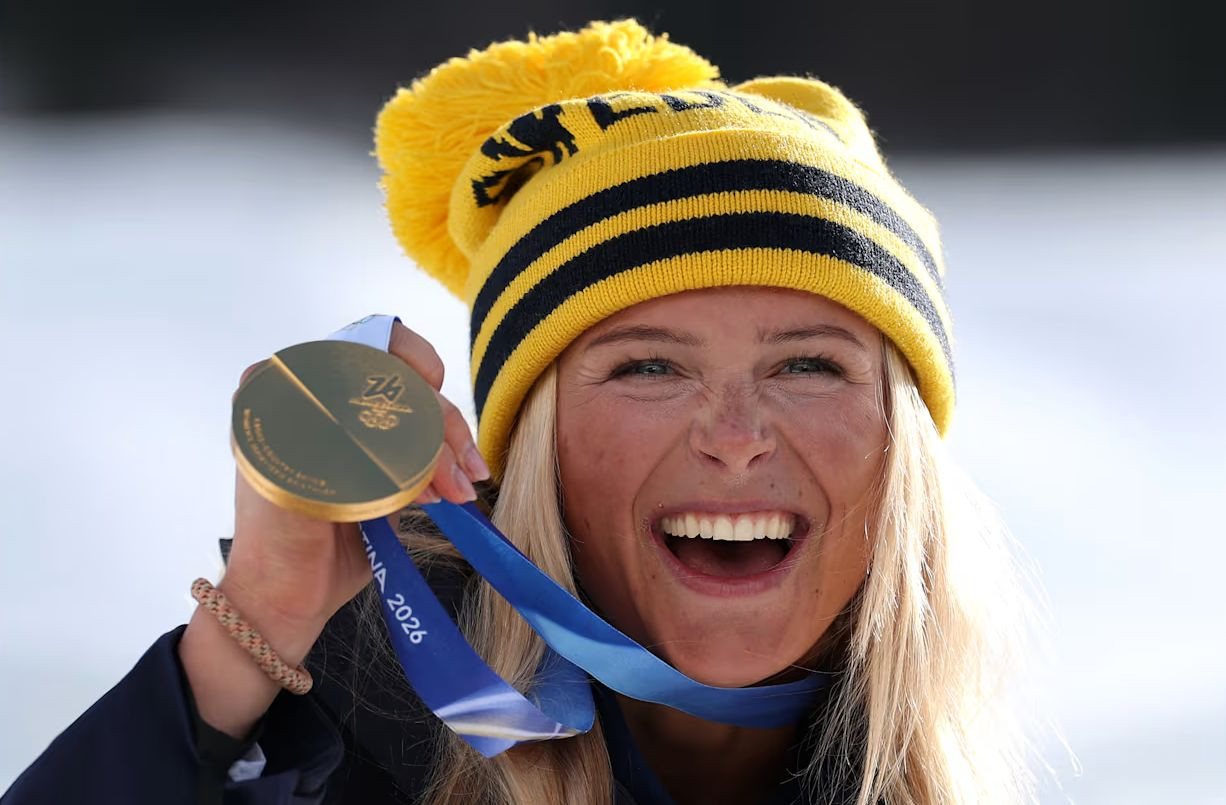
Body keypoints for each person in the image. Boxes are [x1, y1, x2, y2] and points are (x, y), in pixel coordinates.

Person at [2, 19, 1035, 805]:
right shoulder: (344, 743)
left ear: (903, 443)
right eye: (648, 368)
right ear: (531, 448)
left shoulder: (956, 762)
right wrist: (258, 623)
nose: (734, 436)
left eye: (808, 365)